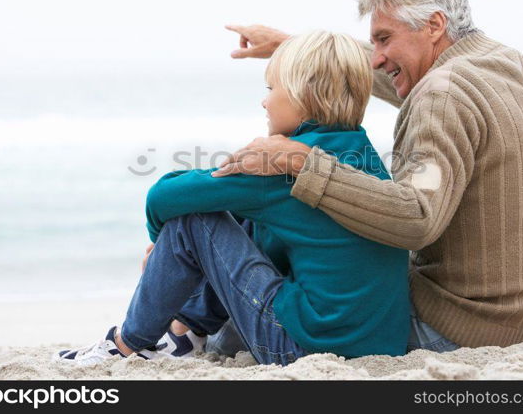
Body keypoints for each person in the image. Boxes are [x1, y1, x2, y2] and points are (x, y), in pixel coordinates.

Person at [216, 0, 523, 349]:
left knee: (301, 254)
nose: (375, 57)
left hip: (467, 326)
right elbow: (410, 84)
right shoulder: (504, 64)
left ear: (435, 25)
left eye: (384, 39)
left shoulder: (442, 96)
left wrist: (302, 162)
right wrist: (294, 47)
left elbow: (416, 218)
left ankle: (195, 330)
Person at [54, 31, 410, 366]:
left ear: (305, 96)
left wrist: (158, 244)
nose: (264, 100)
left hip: (303, 348)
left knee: (193, 219)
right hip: (378, 346)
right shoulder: (362, 156)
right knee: (246, 215)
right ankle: (184, 331)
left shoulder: (280, 166)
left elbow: (163, 196)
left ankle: (127, 345)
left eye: (272, 88)